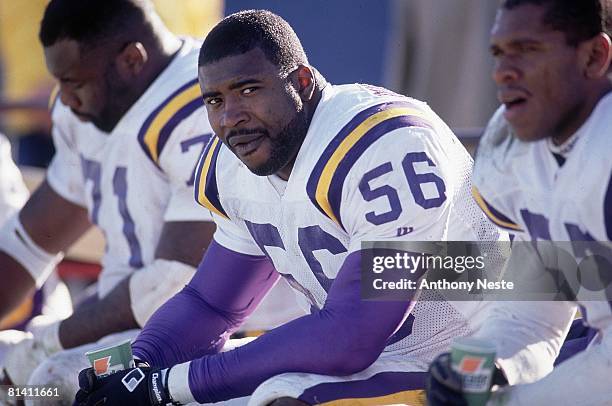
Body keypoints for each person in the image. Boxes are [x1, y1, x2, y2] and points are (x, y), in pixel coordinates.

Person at [69, 10, 518, 406]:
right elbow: (212, 305)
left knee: (281, 400)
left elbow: (352, 335)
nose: (230, 117)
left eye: (248, 90)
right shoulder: (237, 160)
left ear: (301, 81)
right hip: (372, 355)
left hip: (474, 349)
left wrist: (166, 387)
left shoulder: (387, 147)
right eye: (215, 100)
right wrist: (137, 367)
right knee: (76, 382)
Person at [0, 1, 301, 402]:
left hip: (231, 333)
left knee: (53, 381)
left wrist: (42, 346)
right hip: (157, 328)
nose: (66, 100)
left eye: (76, 84)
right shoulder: (91, 105)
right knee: (38, 377)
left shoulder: (212, 110)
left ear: (131, 60)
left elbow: (171, 285)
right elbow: (31, 239)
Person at [426, 0, 612, 404]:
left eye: (527, 50)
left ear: (594, 56)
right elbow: (533, 313)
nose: (502, 72)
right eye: (498, 52)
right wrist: (483, 365)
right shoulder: (515, 145)